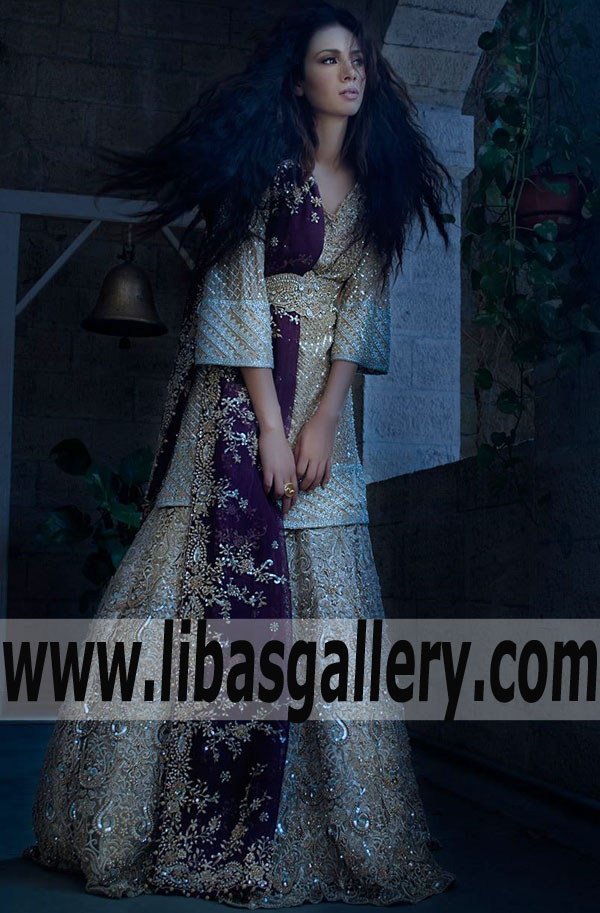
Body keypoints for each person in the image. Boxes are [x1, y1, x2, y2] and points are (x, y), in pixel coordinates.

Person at [23, 3, 458, 906]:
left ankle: (337, 830)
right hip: (239, 395)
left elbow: (363, 305)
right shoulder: (265, 168)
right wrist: (267, 424)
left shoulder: (375, 184)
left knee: (328, 575)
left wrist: (325, 419)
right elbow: (235, 290)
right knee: (186, 567)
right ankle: (135, 816)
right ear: (297, 79)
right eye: (329, 60)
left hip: (321, 399)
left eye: (358, 59)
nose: (350, 73)